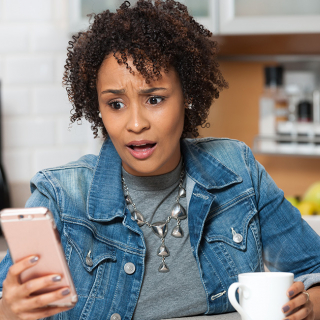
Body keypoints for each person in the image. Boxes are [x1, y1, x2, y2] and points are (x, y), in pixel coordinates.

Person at [0, 1, 320, 319]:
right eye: (115, 104)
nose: (135, 123)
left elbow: (314, 271)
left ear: (188, 95)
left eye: (154, 99)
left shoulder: (239, 171)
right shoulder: (61, 195)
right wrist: (9, 310)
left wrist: (308, 306)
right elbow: (7, 302)